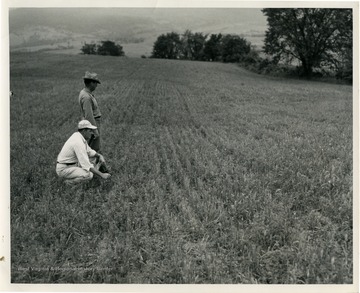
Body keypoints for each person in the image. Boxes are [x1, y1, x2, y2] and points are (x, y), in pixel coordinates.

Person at [56, 120, 111, 185]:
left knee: (94, 158)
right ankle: (68, 183)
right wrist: (102, 175)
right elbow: (86, 165)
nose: (92, 133)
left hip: (72, 164)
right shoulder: (78, 143)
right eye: (90, 131)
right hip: (64, 169)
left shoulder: (78, 136)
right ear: (84, 131)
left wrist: (99, 156)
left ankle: (97, 170)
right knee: (89, 175)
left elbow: (89, 151)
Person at [79, 71, 102, 152]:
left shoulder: (87, 94)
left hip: (92, 125)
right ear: (91, 83)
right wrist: (94, 130)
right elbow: (89, 115)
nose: (96, 85)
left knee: (91, 149)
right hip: (92, 125)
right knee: (93, 150)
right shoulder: (86, 97)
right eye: (96, 83)